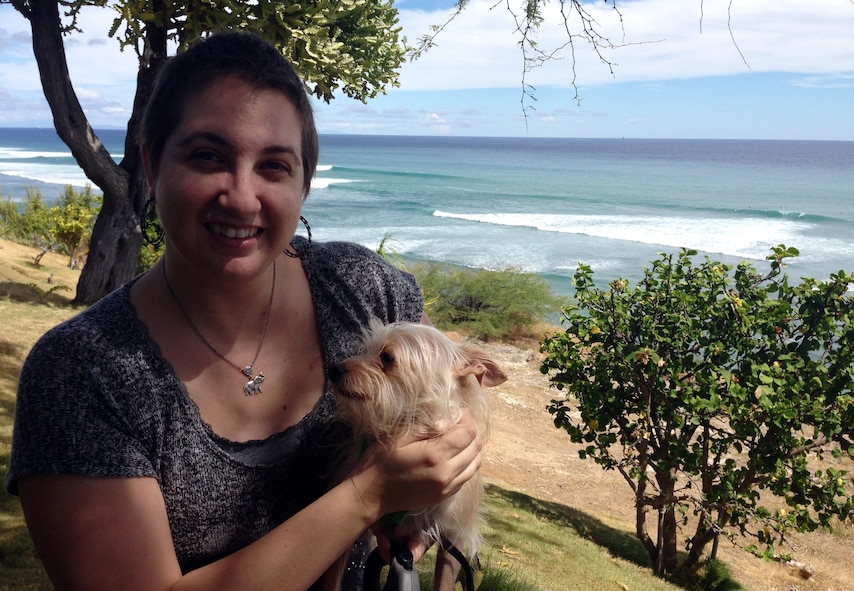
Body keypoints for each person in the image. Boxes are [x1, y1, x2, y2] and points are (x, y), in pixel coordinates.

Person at [6, 31, 481, 591]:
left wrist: (420, 504)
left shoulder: (363, 291)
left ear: (303, 183)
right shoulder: (81, 376)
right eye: (209, 156)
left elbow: (448, 406)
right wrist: (369, 494)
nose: (241, 196)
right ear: (152, 166)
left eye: (275, 166)